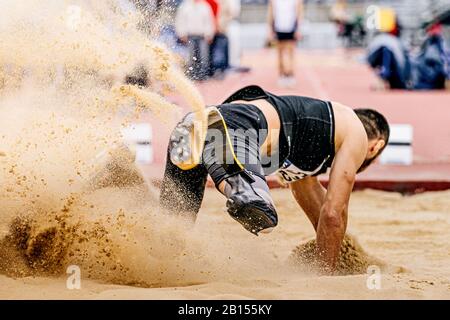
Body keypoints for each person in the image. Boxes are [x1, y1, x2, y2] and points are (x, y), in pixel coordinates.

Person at [160, 85, 390, 274]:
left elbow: (321, 212)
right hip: (230, 128)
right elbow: (333, 214)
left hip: (192, 128)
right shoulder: (356, 131)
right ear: (375, 147)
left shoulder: (309, 147)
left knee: (170, 230)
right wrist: (325, 276)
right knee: (257, 207)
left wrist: (340, 251)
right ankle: (243, 191)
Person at [175, 0, 215, 80]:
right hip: (190, 35)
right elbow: (180, 20)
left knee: (204, 56)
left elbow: (209, 21)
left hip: (202, 35)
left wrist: (209, 34)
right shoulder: (185, 5)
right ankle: (192, 75)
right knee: (191, 56)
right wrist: (182, 33)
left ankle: (203, 75)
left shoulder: (205, 6)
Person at [268, 0, 304, 88]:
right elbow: (270, 14)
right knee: (280, 54)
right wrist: (270, 30)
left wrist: (299, 29)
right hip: (278, 28)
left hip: (291, 28)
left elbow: (299, 14)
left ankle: (290, 75)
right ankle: (282, 75)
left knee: (290, 53)